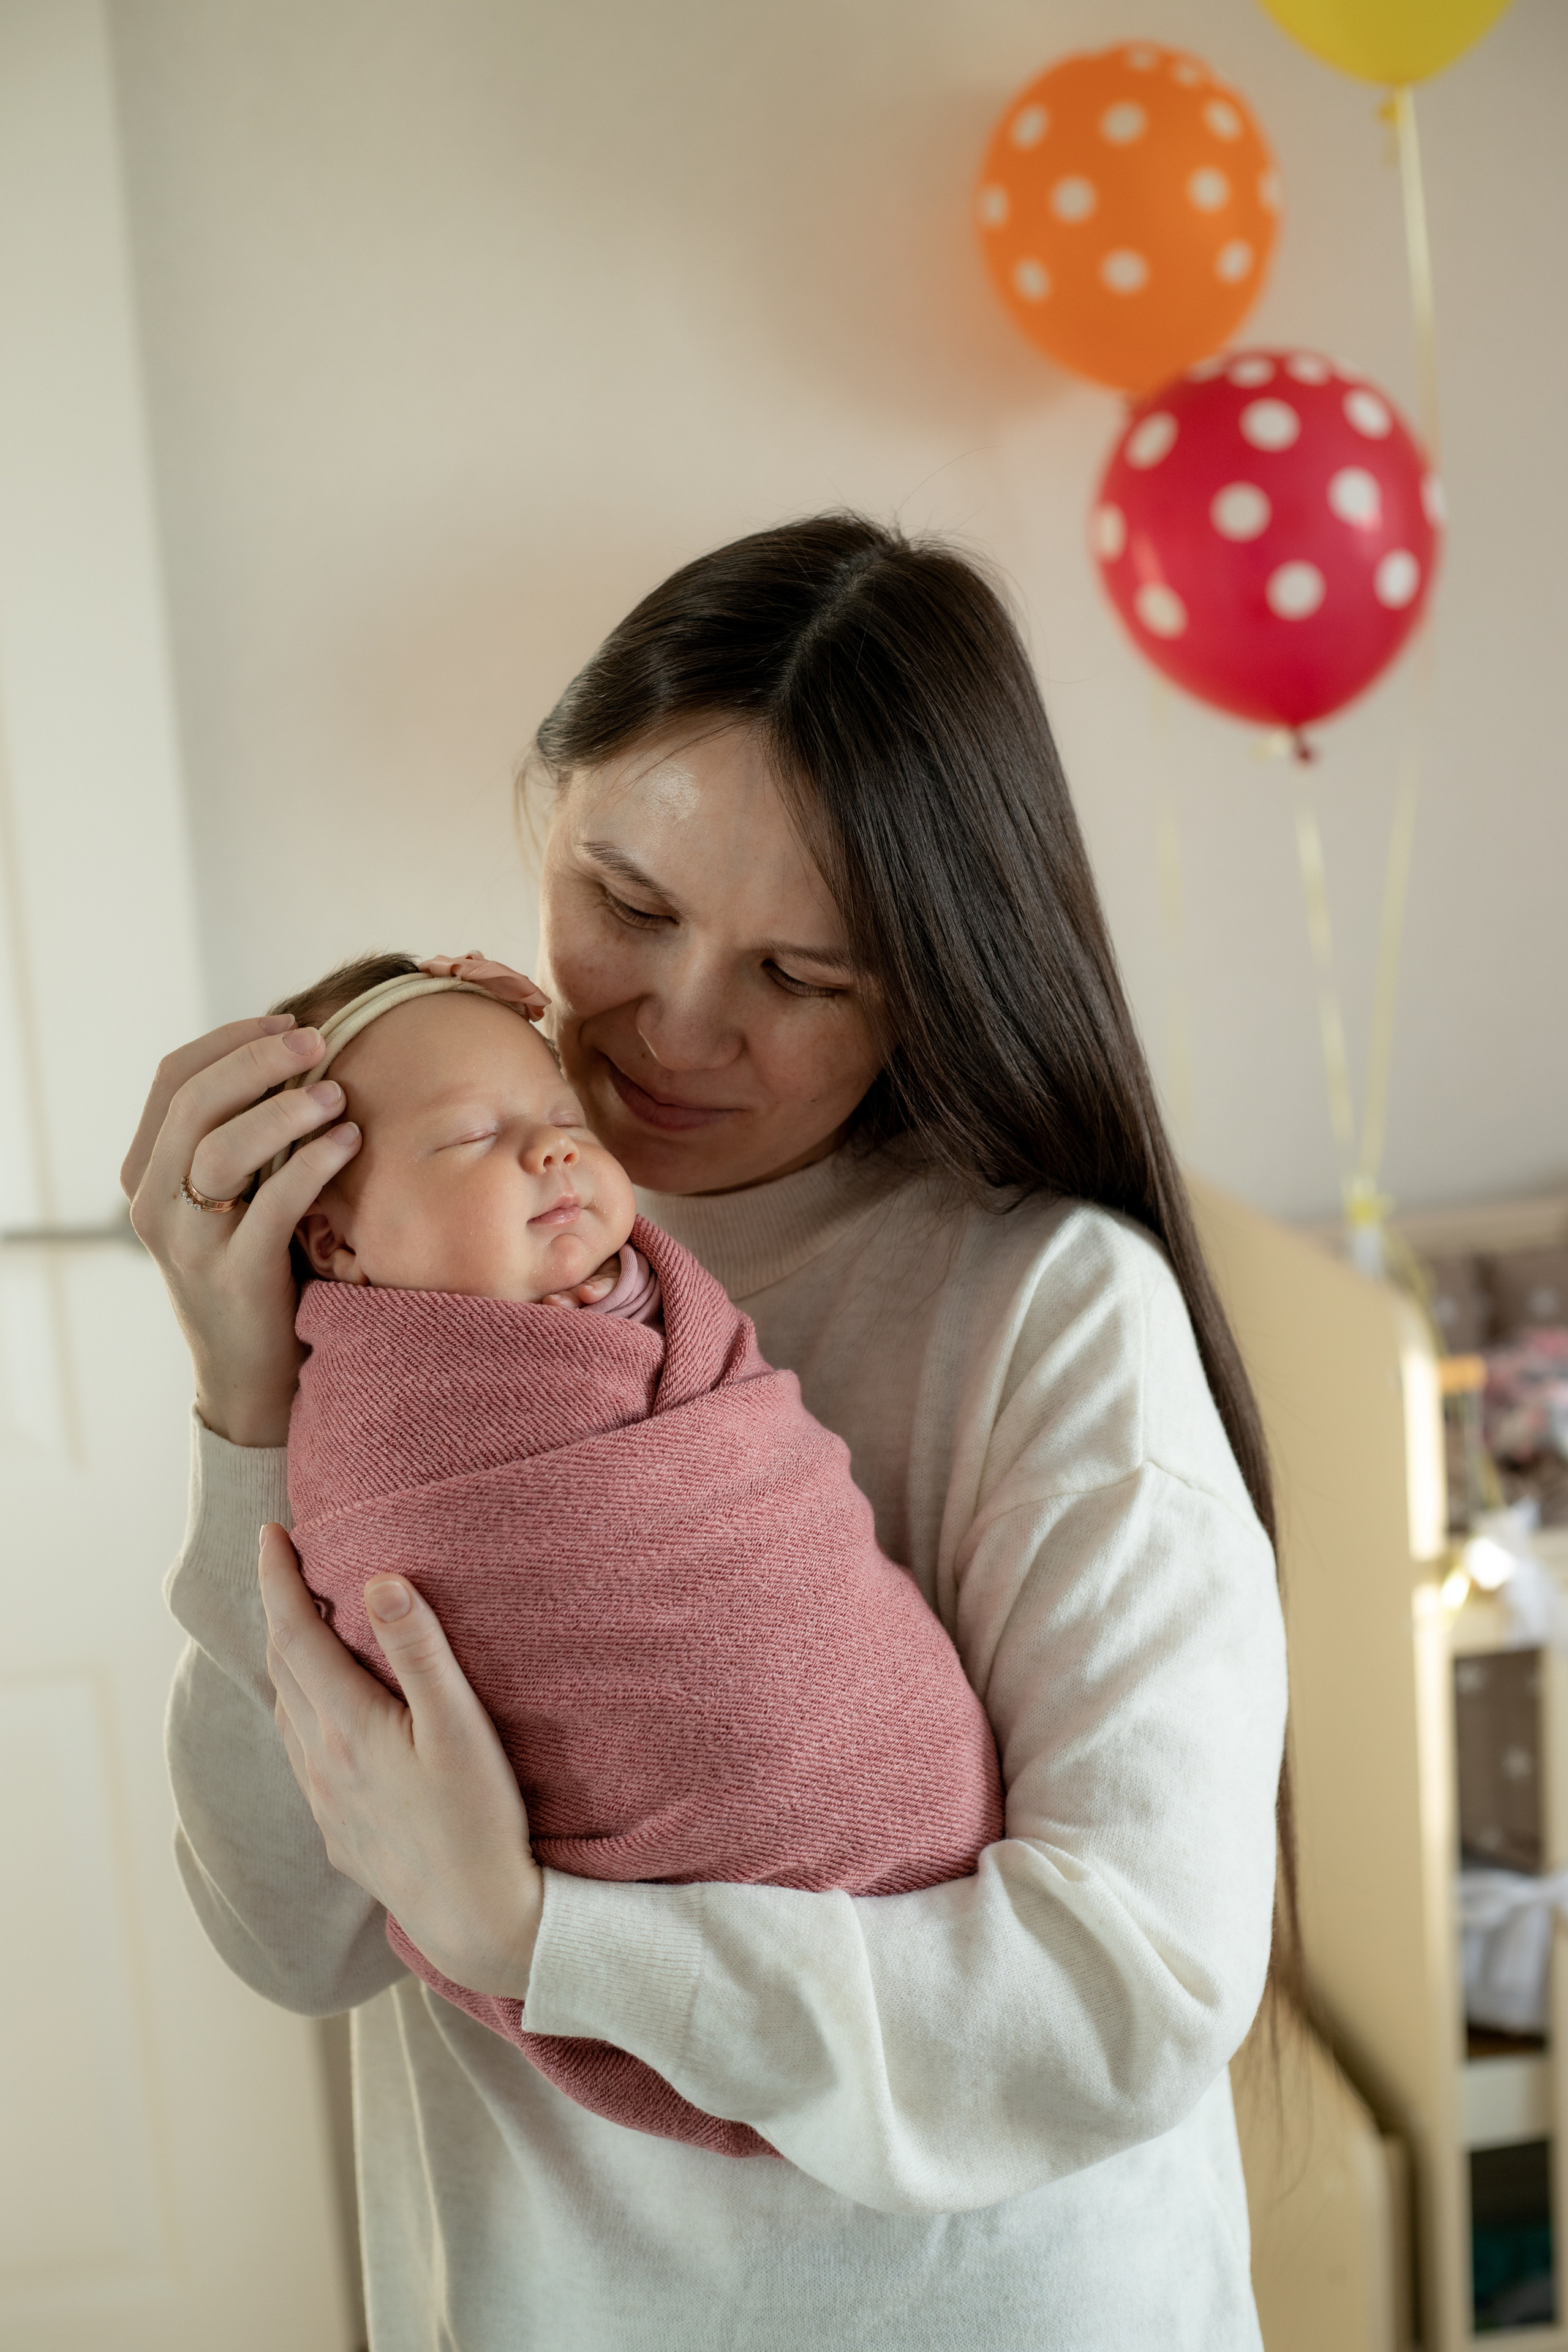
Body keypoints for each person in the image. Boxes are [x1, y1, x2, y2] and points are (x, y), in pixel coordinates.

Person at [124, 513, 1289, 2350]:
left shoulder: (1045, 1312)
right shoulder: (399, 1290)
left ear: (935, 970)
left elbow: (1127, 1993)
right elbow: (295, 1936)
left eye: (802, 976)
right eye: (630, 905)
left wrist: (547, 1947)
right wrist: (243, 1405)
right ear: (548, 809)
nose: (672, 1026)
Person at [274, 944, 1003, 2155]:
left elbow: (755, 1488)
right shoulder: (379, 1419)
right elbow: (303, 1924)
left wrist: (522, 1932)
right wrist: (235, 1404)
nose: (552, 1149)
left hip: (930, 1927)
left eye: (559, 1117)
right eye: (470, 1137)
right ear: (336, 1246)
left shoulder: (672, 1299)